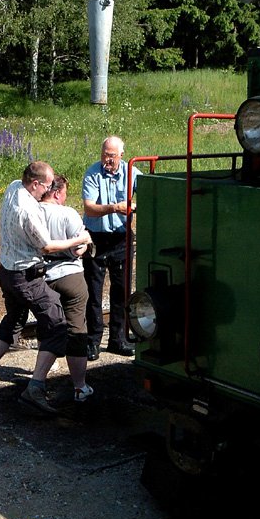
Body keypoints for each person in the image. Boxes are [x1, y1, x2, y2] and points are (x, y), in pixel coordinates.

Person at [0, 161, 91, 416]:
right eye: (46, 186)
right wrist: (80, 239)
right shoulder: (29, 211)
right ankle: (35, 388)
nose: (48, 191)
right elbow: (46, 247)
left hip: (6, 271)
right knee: (58, 325)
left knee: (14, 318)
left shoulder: (13, 186)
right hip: (25, 276)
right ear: (35, 184)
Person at [82, 136, 141, 359]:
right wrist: (115, 207)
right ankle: (93, 341)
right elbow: (89, 208)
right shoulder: (92, 173)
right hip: (96, 237)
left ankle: (118, 339)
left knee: (122, 291)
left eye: (112, 155)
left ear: (121, 156)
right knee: (93, 292)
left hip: (121, 239)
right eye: (104, 154)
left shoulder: (132, 173)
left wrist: (136, 206)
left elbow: (148, 192)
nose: (107, 159)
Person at [39, 175, 93, 403]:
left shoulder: (33, 211)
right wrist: (81, 247)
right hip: (69, 276)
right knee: (76, 330)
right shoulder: (67, 213)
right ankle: (80, 386)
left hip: (42, 277)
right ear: (58, 193)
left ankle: (41, 377)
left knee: (47, 325)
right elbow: (82, 245)